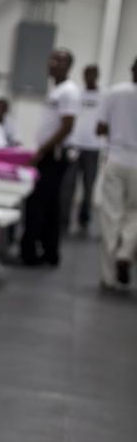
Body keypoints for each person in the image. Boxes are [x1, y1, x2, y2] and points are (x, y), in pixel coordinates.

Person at [21, 48, 80, 266]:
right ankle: (48, 252)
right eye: (52, 59)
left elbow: (67, 126)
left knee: (39, 204)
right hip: (49, 154)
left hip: (53, 156)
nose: (53, 63)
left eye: (59, 61)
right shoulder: (57, 90)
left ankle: (31, 253)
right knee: (49, 205)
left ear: (69, 66)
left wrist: (42, 150)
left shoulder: (69, 92)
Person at [96, 57, 137, 289]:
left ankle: (108, 275)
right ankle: (125, 252)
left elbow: (100, 127)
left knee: (111, 215)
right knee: (135, 214)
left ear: (132, 69)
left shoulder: (115, 92)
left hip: (117, 157)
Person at [64, 63, 103, 234]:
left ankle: (84, 218)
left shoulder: (104, 96)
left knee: (89, 184)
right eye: (86, 74)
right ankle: (63, 219)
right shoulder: (77, 95)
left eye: (92, 74)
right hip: (76, 145)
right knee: (69, 184)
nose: (89, 77)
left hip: (93, 148)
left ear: (97, 75)